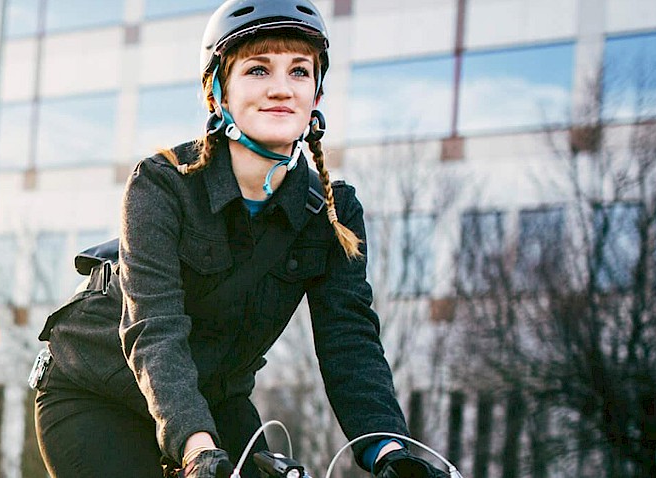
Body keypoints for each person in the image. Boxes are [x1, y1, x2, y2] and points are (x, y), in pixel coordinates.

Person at [31, 1, 448, 477]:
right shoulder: (161, 185)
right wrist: (196, 446)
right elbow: (155, 327)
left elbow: (349, 340)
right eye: (257, 69)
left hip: (213, 400)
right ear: (217, 92)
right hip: (100, 392)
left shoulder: (332, 213)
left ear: (316, 94)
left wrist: (388, 451)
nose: (281, 89)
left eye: (299, 71)